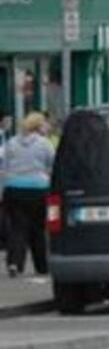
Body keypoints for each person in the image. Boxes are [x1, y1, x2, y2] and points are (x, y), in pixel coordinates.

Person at [2, 112, 55, 277]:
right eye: (45, 124)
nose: (47, 126)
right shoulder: (45, 143)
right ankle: (42, 266)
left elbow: (5, 165)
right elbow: (52, 163)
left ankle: (14, 263)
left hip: (13, 189)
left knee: (17, 228)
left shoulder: (11, 142)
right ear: (39, 126)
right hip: (38, 189)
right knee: (38, 228)